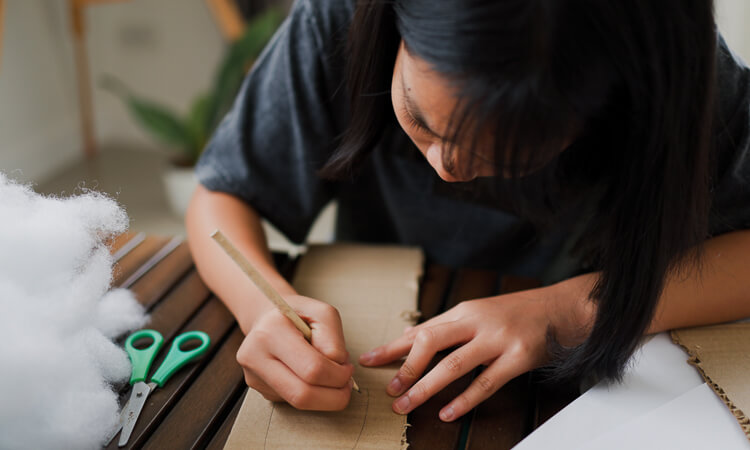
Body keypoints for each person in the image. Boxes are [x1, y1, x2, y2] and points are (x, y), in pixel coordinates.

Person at [186, 0, 750, 422]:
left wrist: (561, 313)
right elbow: (220, 197)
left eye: (506, 154)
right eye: (419, 117)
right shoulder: (339, 18)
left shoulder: (680, 76)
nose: (446, 168)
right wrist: (263, 306)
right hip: (389, 301)